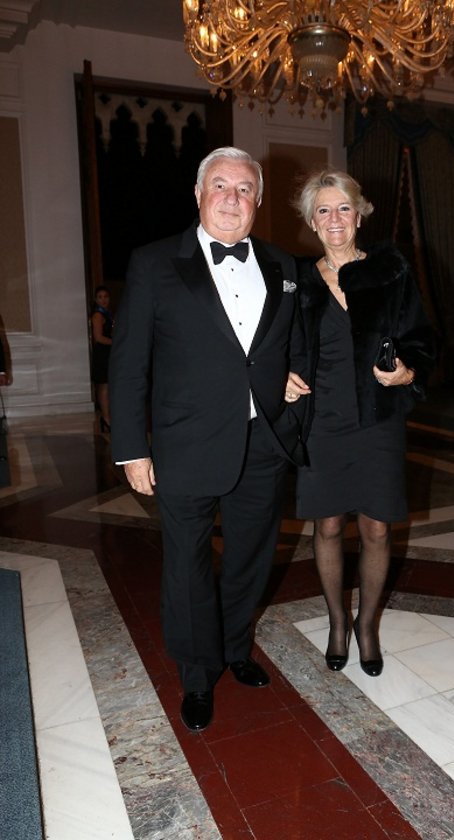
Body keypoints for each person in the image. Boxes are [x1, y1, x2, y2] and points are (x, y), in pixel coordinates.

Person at [109, 147, 304, 732]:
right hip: (186, 444)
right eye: (219, 185)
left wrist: (291, 375)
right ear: (198, 194)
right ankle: (197, 674)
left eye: (244, 189)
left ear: (258, 201)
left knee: (250, 559)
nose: (231, 198)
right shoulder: (154, 263)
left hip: (263, 442)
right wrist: (131, 448)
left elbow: (291, 340)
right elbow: (129, 364)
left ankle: (235, 648)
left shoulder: (282, 264)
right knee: (187, 567)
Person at [286, 170, 436, 677]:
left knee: (376, 526)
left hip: (378, 419)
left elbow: (421, 337)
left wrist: (407, 373)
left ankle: (366, 625)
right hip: (321, 421)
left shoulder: (390, 272)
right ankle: (337, 622)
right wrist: (282, 377)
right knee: (327, 525)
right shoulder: (297, 280)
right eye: (323, 210)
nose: (334, 219)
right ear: (311, 221)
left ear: (360, 215)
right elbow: (274, 344)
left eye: (343, 208)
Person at [90, 285, 114, 432]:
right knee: (104, 386)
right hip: (102, 353)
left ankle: (106, 417)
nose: (103, 300)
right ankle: (106, 418)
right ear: (95, 300)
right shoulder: (98, 315)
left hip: (107, 352)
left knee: (106, 386)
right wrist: (115, 342)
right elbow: (98, 337)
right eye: (100, 297)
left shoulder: (107, 314)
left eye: (106, 296)